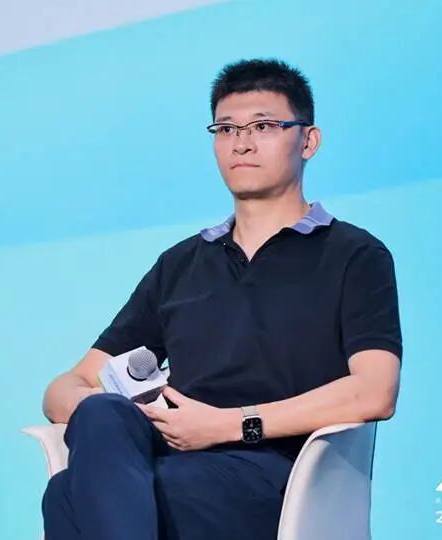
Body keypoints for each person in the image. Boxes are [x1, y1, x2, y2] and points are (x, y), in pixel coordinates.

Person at [40, 58, 403, 540]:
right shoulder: (181, 265)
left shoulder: (353, 255)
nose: (241, 143)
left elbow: (375, 391)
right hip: (169, 457)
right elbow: (66, 387)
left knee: (68, 495)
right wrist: (117, 413)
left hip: (280, 474)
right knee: (101, 414)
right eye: (226, 129)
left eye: (264, 126)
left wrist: (230, 425)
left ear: (308, 141)